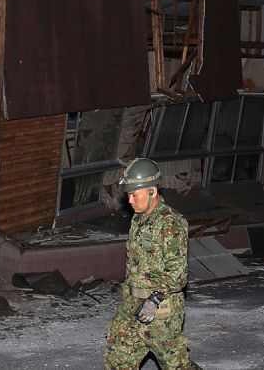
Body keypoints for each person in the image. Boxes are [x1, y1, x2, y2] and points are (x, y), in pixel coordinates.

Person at [105, 158, 199, 370]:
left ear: (152, 192)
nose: (130, 200)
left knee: (175, 364)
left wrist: (154, 299)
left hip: (160, 310)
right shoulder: (138, 220)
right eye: (128, 195)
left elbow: (177, 273)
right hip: (132, 305)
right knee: (117, 358)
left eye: (134, 195)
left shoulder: (170, 222)